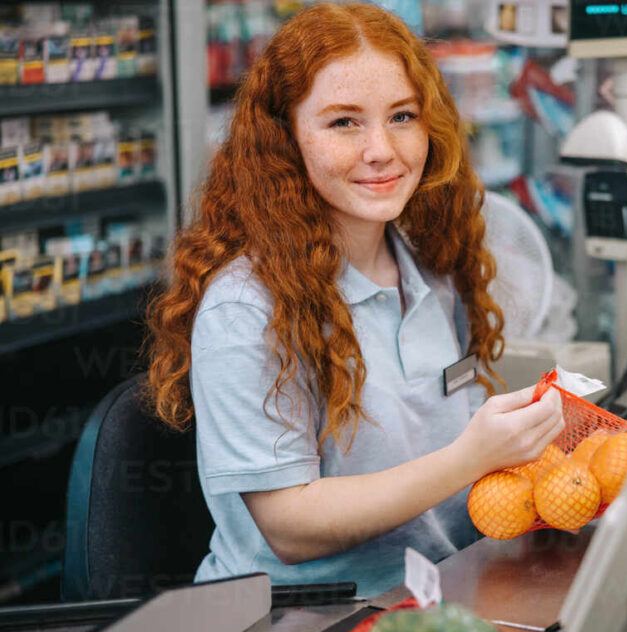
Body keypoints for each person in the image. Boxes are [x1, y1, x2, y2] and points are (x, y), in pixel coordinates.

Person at [145, 2, 564, 596]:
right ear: (284, 139)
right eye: (344, 122)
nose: (381, 150)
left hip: (438, 593)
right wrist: (473, 456)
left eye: (401, 116)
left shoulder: (433, 267)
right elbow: (290, 525)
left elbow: (447, 432)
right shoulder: (247, 308)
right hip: (298, 625)